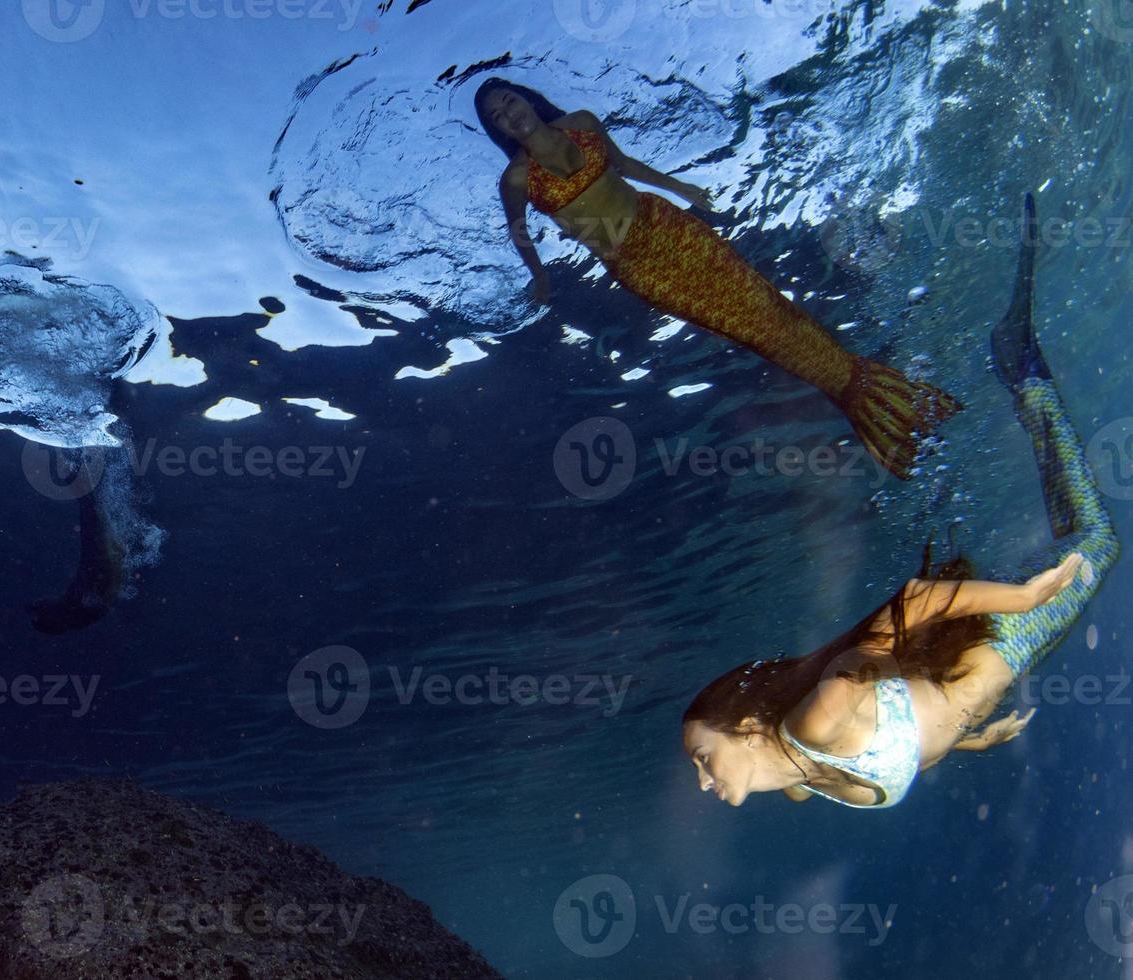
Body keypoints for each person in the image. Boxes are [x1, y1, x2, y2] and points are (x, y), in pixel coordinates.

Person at [679, 193, 1118, 808]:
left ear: (747, 728)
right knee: (1088, 539)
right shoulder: (805, 781)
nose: (702, 780)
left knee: (1098, 542)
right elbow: (902, 730)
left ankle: (1024, 372)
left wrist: (1023, 598)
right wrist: (968, 740)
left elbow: (913, 605)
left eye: (704, 758)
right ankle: (1020, 373)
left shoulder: (820, 719)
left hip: (1002, 636)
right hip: (983, 659)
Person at [474, 77, 961, 479]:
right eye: (497, 115)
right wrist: (539, 277)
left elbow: (622, 165)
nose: (509, 113)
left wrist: (679, 185)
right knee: (746, 328)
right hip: (634, 262)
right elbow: (520, 233)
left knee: (766, 304)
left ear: (526, 96)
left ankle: (874, 391)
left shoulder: (580, 123)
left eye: (509, 100)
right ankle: (867, 402)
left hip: (666, 223)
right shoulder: (516, 180)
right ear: (499, 130)